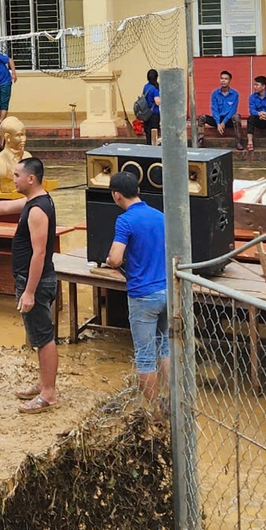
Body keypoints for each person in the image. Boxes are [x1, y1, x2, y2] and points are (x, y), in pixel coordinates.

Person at [0, 156, 59, 414]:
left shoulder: (38, 210)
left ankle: (49, 394)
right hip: (31, 280)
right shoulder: (33, 200)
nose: (13, 178)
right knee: (39, 336)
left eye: (17, 175)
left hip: (36, 283)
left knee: (44, 337)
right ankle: (42, 383)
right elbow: (6, 208)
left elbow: (39, 254)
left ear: (31, 178)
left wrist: (29, 291)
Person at [101, 171, 168, 403]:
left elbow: (116, 259)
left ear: (116, 195)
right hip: (167, 290)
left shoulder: (125, 220)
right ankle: (170, 403)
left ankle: (152, 411)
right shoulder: (160, 216)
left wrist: (110, 260)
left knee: (145, 355)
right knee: (165, 346)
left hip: (143, 295)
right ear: (138, 191)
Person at [200, 69, 242, 150]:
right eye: (222, 78)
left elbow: (233, 110)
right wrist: (218, 123)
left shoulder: (235, 94)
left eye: (226, 79)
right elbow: (214, 109)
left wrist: (224, 122)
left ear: (230, 81)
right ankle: (200, 141)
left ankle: (238, 141)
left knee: (236, 117)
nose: (223, 81)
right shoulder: (215, 93)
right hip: (217, 120)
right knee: (202, 117)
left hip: (228, 120)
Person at [139, 69, 162, 143]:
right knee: (154, 132)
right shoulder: (155, 89)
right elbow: (157, 102)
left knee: (147, 132)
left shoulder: (146, 86)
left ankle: (148, 145)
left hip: (146, 113)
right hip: (154, 114)